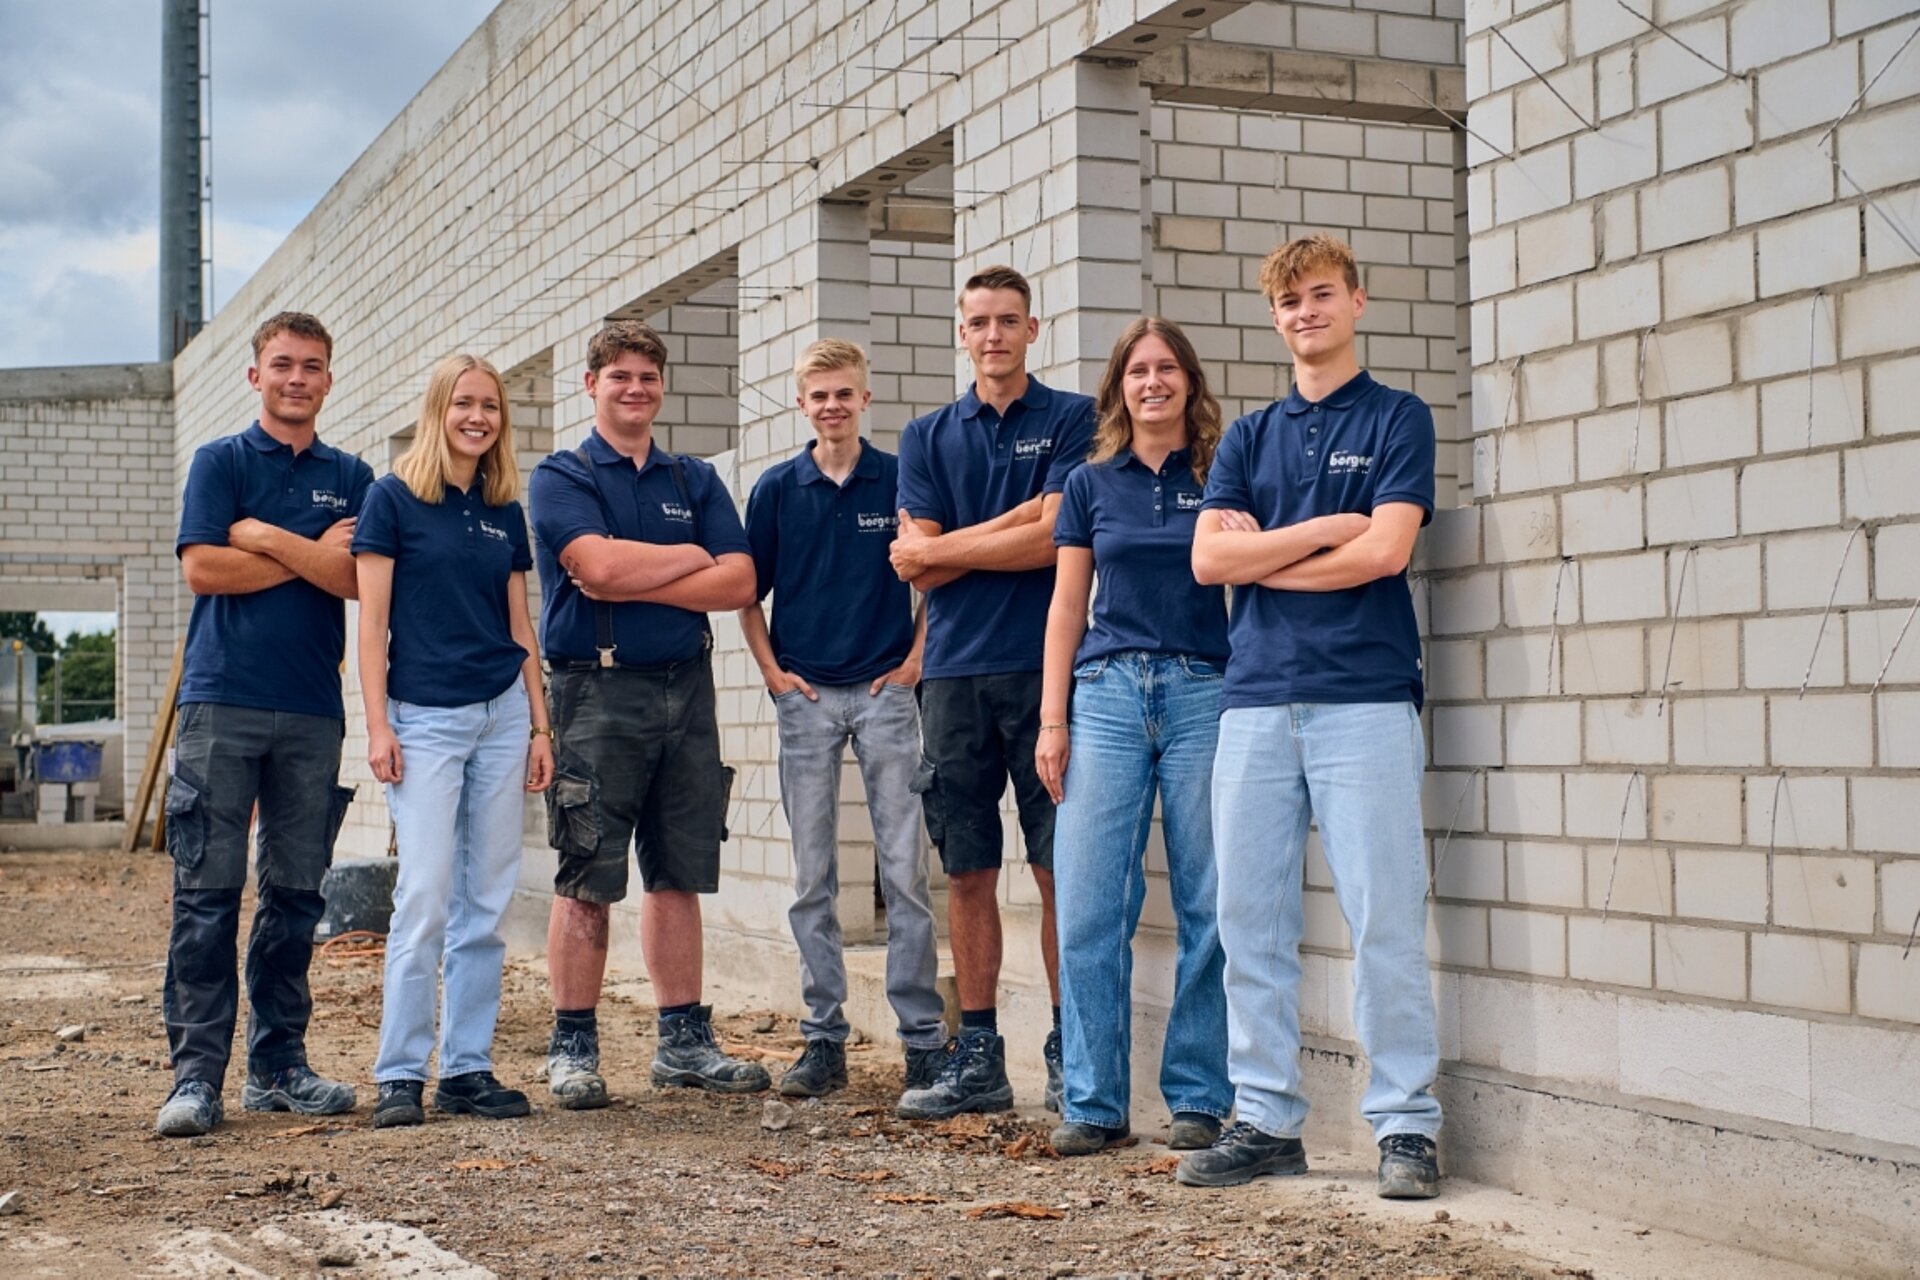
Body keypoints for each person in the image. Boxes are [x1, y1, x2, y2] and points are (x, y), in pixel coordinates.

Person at [1179, 233, 1442, 1199]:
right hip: (1252, 700)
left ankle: (1407, 1126)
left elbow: (1385, 555)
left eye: (1322, 295)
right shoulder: (1247, 437)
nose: (1305, 313)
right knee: (1249, 919)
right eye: (1290, 302)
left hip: (1364, 697)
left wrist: (1275, 554)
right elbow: (1209, 564)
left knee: (1384, 918)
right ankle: (1267, 1119)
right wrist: (1332, 526)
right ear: (1275, 316)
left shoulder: (1400, 418)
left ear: (1358, 302)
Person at [528, 319, 768, 1107]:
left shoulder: (692, 479)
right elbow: (592, 566)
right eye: (619, 376)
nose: (635, 389)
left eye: (648, 377)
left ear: (662, 387)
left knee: (679, 870)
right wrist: (690, 558)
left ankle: (683, 1044)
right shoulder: (564, 475)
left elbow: (738, 583)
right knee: (587, 872)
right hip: (596, 690)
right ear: (590, 385)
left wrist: (642, 576)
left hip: (684, 687)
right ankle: (572, 1046)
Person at [157, 311, 373, 1138]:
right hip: (221, 702)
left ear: (327, 378)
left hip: (313, 707)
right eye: (282, 364)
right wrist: (307, 552)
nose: (296, 378)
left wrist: (268, 537)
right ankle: (195, 1078)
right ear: (256, 375)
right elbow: (204, 568)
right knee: (206, 897)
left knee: (293, 897)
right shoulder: (219, 461)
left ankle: (278, 1067)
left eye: (311, 366)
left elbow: (353, 579)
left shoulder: (351, 474)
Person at [890, 266, 1096, 1120]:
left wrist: (943, 554)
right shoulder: (927, 435)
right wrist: (1005, 531)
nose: (994, 334)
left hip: (1045, 670)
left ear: (1032, 330)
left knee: (1058, 870)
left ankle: (1068, 1046)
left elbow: (1055, 539)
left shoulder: (1072, 417)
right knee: (968, 869)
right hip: (951, 675)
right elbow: (923, 545)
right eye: (979, 321)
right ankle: (979, 1054)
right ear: (962, 331)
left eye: (1009, 320)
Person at [1035, 317, 1232, 1156]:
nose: (1152, 382)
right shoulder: (1090, 484)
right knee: (1088, 903)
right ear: (1119, 386)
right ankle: (1093, 1101)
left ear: (1189, 379)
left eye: (1167, 368)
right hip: (1105, 697)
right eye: (1136, 370)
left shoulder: (1226, 470)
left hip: (1205, 692)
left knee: (1209, 902)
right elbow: (1065, 607)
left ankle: (1197, 1094)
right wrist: (1053, 719)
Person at [739, 339, 945, 1101]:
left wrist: (916, 661)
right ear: (803, 404)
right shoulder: (776, 490)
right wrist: (771, 675)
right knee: (812, 876)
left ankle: (922, 1041)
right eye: (818, 395)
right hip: (809, 700)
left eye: (844, 394)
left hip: (885, 690)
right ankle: (823, 1040)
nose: (832, 406)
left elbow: (935, 574)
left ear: (866, 398)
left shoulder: (898, 480)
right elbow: (743, 592)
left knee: (903, 872)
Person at [354, 355, 554, 1128]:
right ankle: (400, 1072)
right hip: (425, 718)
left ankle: (466, 1068)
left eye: (491, 407)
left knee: (488, 899)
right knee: (427, 894)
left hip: (502, 714)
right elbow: (372, 625)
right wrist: (379, 725)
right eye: (465, 404)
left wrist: (540, 725)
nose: (478, 417)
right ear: (438, 409)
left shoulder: (504, 506)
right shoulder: (393, 498)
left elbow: (519, 625)